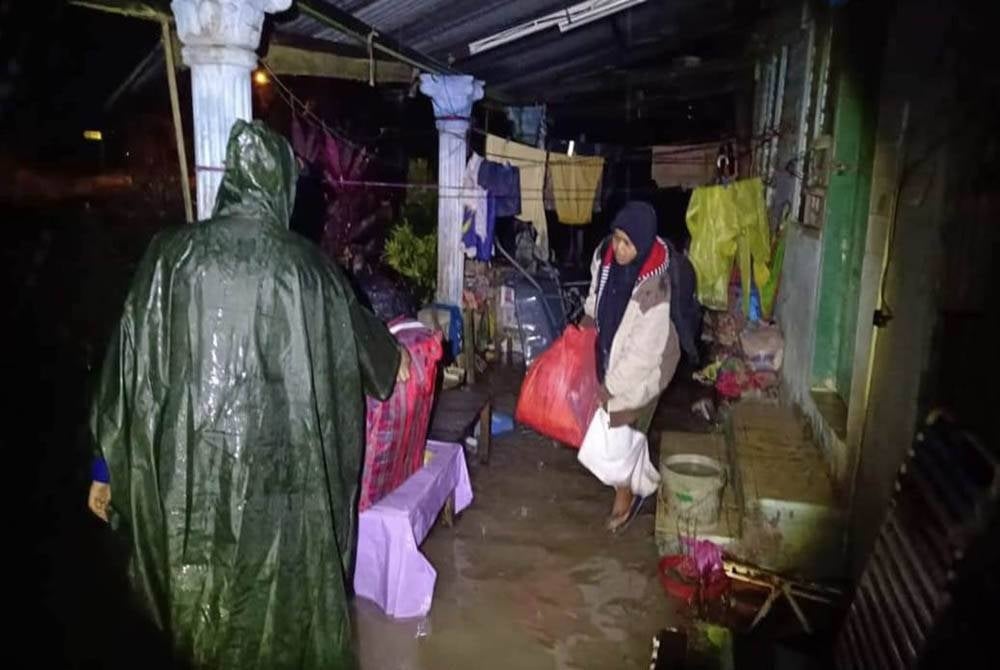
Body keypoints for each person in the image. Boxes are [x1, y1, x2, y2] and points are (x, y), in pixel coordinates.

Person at [86, 120, 410, 669]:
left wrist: (103, 468)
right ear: (283, 188)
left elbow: (126, 374)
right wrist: (403, 356)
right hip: (288, 489)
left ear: (230, 181)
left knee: (200, 610)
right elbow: (382, 366)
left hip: (197, 485)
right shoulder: (316, 273)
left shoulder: (170, 258)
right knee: (285, 609)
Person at [579, 201, 680, 532]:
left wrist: (610, 389)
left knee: (623, 427)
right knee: (617, 429)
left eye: (627, 243)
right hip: (614, 350)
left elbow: (641, 356)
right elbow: (597, 291)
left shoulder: (655, 289)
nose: (619, 249)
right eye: (616, 238)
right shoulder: (605, 257)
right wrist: (588, 319)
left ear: (644, 244)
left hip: (649, 367)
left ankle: (626, 495)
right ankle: (644, 483)